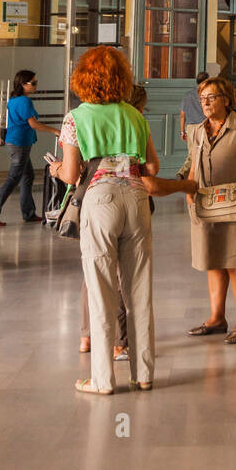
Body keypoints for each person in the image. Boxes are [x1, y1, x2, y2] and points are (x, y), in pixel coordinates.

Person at [49, 47, 194, 395]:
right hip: (136, 198)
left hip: (100, 201)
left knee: (101, 290)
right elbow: (154, 169)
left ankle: (102, 379)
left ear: (83, 78)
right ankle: (143, 374)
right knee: (139, 290)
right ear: (122, 79)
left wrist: (55, 168)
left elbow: (70, 175)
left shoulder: (75, 117)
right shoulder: (134, 114)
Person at [186, 76, 236, 344]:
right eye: (203, 99)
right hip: (206, 206)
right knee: (214, 261)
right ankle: (216, 318)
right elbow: (193, 165)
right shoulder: (196, 131)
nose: (206, 103)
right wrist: (189, 190)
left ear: (227, 101)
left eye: (212, 98)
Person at [78, 82, 150, 359]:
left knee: (93, 273)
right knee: (124, 275)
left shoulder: (81, 117)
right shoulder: (135, 121)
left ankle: (87, 337)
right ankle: (121, 343)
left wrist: (59, 169)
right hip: (130, 198)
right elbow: (152, 167)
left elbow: (73, 169)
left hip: (93, 201)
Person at [0, 68, 57, 226]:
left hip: (17, 143)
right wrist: (55, 130)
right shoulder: (23, 101)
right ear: (23, 84)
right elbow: (33, 123)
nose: (35, 85)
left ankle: (28, 213)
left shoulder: (14, 99)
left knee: (28, 176)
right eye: (33, 83)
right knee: (13, 178)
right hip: (19, 144)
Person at [179, 72, 210, 143]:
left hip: (191, 129)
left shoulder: (187, 95)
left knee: (192, 152)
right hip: (204, 127)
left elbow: (182, 115)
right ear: (206, 81)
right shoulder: (207, 95)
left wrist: (182, 132)